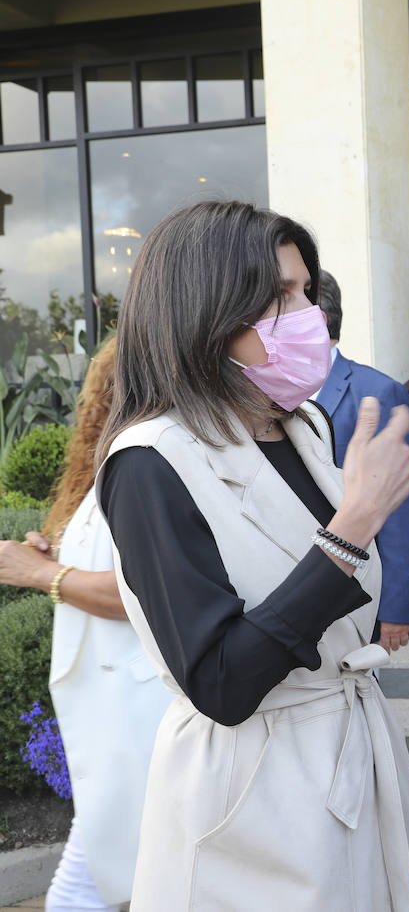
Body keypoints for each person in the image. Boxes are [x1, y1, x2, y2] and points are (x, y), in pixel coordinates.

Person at [95, 200, 409, 910]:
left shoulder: (302, 426)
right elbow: (221, 682)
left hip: (344, 759)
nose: (311, 314)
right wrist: (351, 530)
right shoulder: (151, 463)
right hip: (252, 803)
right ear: (208, 312)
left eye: (307, 291)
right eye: (281, 297)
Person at [0, 343, 172, 912]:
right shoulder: (114, 464)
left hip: (139, 705)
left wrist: (41, 572)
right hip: (112, 702)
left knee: (90, 882)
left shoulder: (153, 461)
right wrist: (49, 555)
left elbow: (139, 592)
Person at [313, 269, 409, 652]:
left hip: (356, 591)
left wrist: (397, 604)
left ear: (317, 318)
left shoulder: (377, 392)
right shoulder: (265, 394)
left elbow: (402, 508)